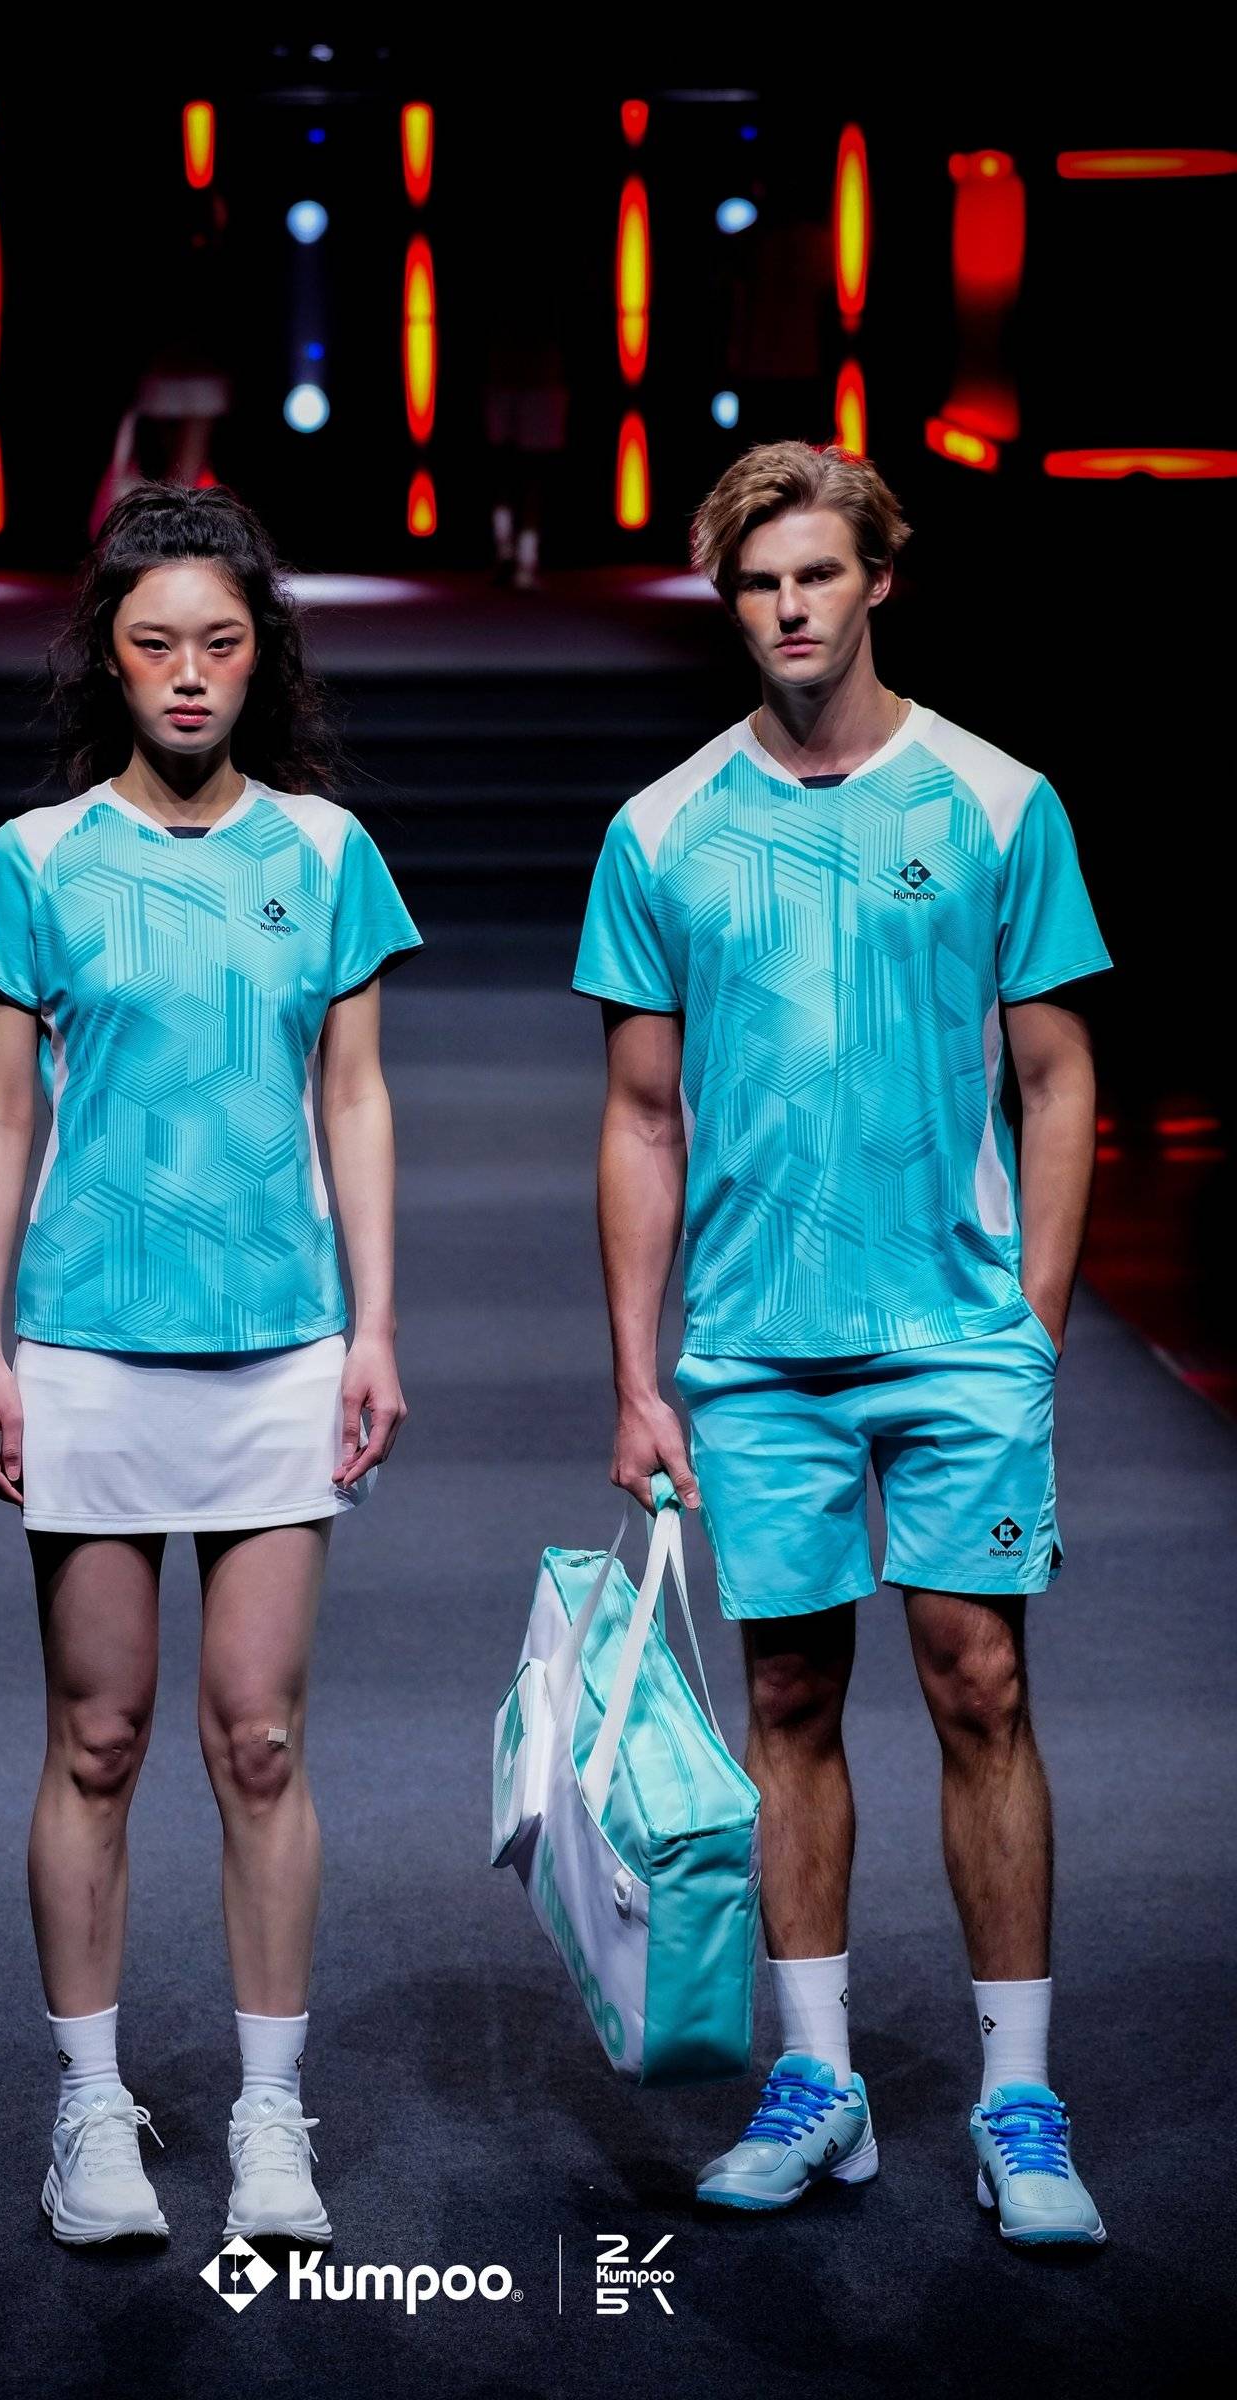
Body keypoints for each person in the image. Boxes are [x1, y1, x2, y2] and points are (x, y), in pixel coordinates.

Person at [570, 439, 1113, 2247]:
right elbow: (639, 1116)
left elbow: (1056, 1076)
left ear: (879, 578)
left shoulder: (998, 802)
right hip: (752, 1345)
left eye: (816, 573)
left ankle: (1019, 2102)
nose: (789, 608)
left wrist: (1033, 1326)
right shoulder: (662, 830)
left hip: (956, 1335)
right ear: (729, 603)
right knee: (789, 1699)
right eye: (757, 583)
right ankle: (819, 2084)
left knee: (982, 1686)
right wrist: (639, 1375)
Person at [0, 482, 422, 2248]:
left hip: (281, 1344)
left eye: (220, 641)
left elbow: (354, 1096)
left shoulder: (328, 853)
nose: (191, 673)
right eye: (157, 645)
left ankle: (273, 2119)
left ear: (260, 656)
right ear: (111, 662)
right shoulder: (36, 859)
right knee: (99, 1733)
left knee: (262, 1739)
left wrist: (375, 1324)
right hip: (85, 1345)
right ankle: (92, 2112)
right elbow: (0, 1114)